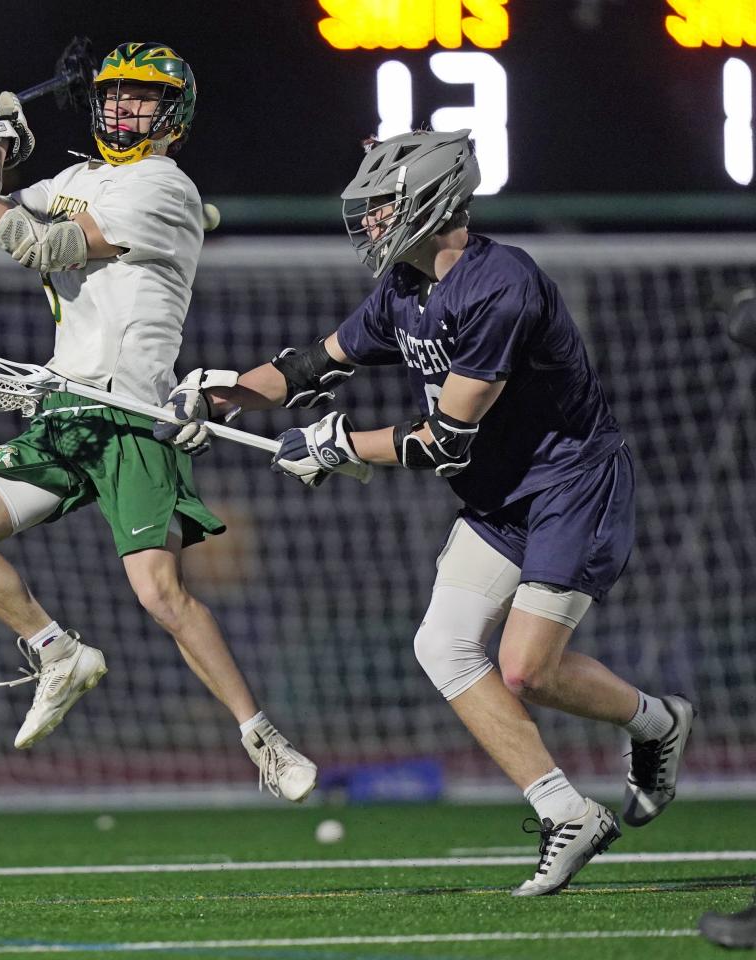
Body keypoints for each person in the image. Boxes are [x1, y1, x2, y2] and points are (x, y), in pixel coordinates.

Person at [155, 129, 695, 893]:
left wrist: (339, 446)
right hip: (494, 497)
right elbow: (312, 365)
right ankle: (564, 812)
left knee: (525, 669)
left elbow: (441, 439)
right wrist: (217, 395)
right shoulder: (405, 289)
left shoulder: (500, 285)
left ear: (434, 202)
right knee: (442, 646)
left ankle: (656, 722)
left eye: (382, 209)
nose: (370, 224)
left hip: (569, 485)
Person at [0, 41, 317, 803]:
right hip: (62, 405)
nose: (125, 108)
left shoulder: (164, 187)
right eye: (116, 95)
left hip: (131, 414)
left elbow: (40, 243)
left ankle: (262, 737)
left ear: (174, 117)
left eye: (144, 98)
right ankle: (57, 652)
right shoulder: (76, 178)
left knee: (162, 595)